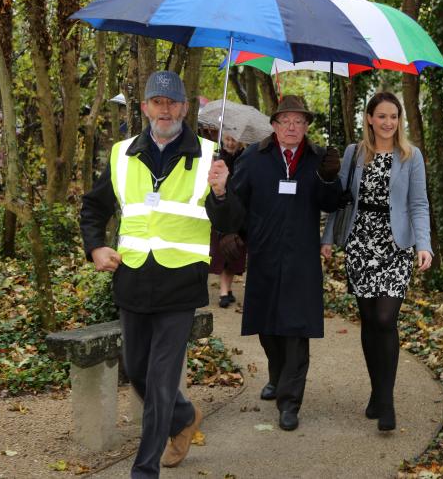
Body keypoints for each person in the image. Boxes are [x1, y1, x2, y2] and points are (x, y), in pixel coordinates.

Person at [80, 70, 232, 478]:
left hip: (181, 282)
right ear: (145, 107)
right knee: (138, 370)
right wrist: (96, 246)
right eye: (156, 102)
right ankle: (183, 417)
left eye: (172, 102)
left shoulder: (210, 155)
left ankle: (144, 470)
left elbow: (233, 223)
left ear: (184, 107)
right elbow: (94, 207)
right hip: (132, 279)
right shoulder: (121, 153)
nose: (165, 110)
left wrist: (222, 192)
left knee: (162, 379)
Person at [217, 94, 342, 432]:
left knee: (296, 330)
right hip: (265, 255)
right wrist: (229, 232)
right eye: (285, 120)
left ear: (306, 127)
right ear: (273, 125)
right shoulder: (255, 159)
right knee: (268, 327)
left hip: (302, 257)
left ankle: (290, 401)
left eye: (299, 121)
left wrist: (331, 178)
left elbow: (333, 202)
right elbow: (235, 200)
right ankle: (276, 375)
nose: (292, 126)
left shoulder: (319, 159)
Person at [321, 91, 432, 432]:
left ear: (399, 121)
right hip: (360, 242)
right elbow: (339, 201)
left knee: (386, 317)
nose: (388, 122)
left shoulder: (411, 157)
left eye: (393, 117)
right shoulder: (354, 154)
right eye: (381, 116)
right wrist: (326, 240)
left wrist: (424, 245)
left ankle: (386, 401)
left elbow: (418, 204)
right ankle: (376, 392)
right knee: (369, 319)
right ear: (369, 118)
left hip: (395, 244)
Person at [208, 134, 247, 308]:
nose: (230, 143)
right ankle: (224, 292)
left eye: (233, 140)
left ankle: (228, 289)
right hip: (222, 209)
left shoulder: (246, 158)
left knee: (234, 254)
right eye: (227, 140)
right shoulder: (217, 157)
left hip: (240, 211)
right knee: (222, 251)